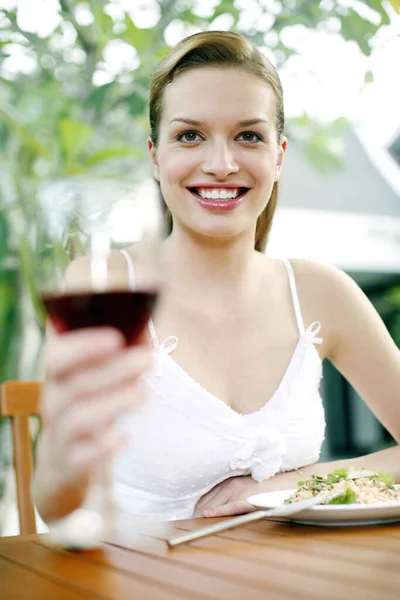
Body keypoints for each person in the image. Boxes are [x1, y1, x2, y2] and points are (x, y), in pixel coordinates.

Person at [33, 31, 400, 524]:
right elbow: (56, 507)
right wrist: (61, 456)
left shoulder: (321, 292)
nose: (221, 164)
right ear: (155, 155)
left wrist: (292, 484)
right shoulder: (104, 286)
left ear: (279, 156)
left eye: (249, 135)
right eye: (190, 135)